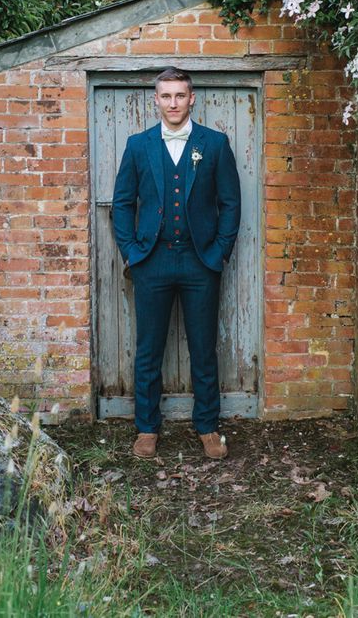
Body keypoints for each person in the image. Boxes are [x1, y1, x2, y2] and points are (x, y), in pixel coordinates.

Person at [112, 67, 241, 460]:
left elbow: (231, 204)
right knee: (148, 349)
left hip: (200, 262)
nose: (173, 103)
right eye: (166, 96)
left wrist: (219, 252)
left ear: (192, 98)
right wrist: (133, 252)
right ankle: (147, 428)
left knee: (204, 348)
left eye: (179, 95)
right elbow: (122, 204)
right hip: (152, 261)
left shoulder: (215, 144)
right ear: (156, 100)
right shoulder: (138, 146)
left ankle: (207, 426)